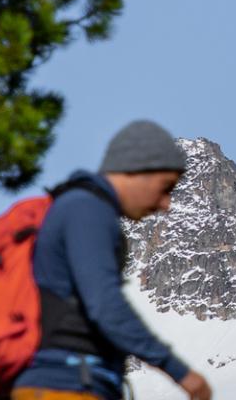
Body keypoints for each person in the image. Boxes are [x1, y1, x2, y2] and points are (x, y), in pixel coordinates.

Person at [11, 120, 213, 400]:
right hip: (67, 385)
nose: (166, 204)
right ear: (137, 170)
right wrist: (179, 372)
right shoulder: (87, 211)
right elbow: (105, 305)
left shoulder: (82, 207)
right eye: (165, 187)